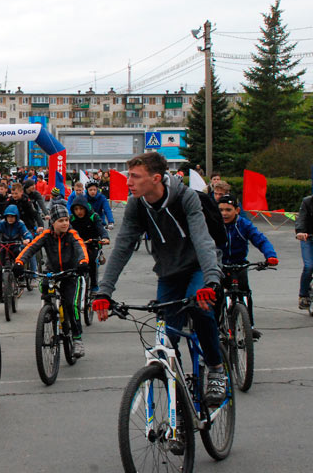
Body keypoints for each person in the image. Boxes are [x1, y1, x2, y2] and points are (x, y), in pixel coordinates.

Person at [91, 152, 227, 406]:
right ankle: (181, 413)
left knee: (200, 308)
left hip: (198, 266)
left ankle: (216, 368)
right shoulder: (137, 204)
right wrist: (104, 292)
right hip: (168, 272)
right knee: (165, 339)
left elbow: (202, 239)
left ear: (155, 178)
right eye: (128, 175)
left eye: (134, 176)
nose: (128, 181)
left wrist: (210, 281)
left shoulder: (185, 197)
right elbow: (122, 247)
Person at [13, 202, 89, 358]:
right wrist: (19, 262)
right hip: (52, 271)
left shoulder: (72, 234)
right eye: (61, 221)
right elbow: (31, 247)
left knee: (70, 304)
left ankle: (77, 338)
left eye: (67, 220)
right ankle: (49, 308)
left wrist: (83, 262)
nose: (65, 223)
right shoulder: (46, 235)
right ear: (52, 223)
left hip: (71, 273)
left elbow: (81, 248)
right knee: (45, 285)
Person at [217, 194, 278, 337]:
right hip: (218, 265)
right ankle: (214, 328)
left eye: (228, 210)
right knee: (216, 296)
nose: (224, 213)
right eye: (221, 210)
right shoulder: (214, 225)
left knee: (245, 293)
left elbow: (260, 240)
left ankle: (249, 325)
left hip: (239, 264)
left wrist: (270, 256)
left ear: (237, 210)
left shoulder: (243, 224)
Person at [69, 195, 109, 292]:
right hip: (77, 244)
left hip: (92, 244)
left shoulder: (93, 216)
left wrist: (105, 237)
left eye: (81, 208)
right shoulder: (71, 219)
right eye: (76, 209)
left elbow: (101, 228)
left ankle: (94, 285)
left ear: (86, 208)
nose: (79, 211)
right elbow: (67, 230)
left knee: (92, 262)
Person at [0, 205, 31, 302]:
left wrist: (27, 239)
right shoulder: (1, 224)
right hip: (4, 247)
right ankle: (1, 292)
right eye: (8, 216)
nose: (10, 218)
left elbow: (27, 233)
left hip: (15, 245)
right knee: (1, 271)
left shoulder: (20, 224)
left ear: (16, 216)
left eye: (12, 216)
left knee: (19, 255)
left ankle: (20, 275)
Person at [294, 193, 313, 311]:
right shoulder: (308, 202)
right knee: (309, 266)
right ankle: (303, 295)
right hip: (308, 237)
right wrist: (300, 232)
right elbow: (301, 218)